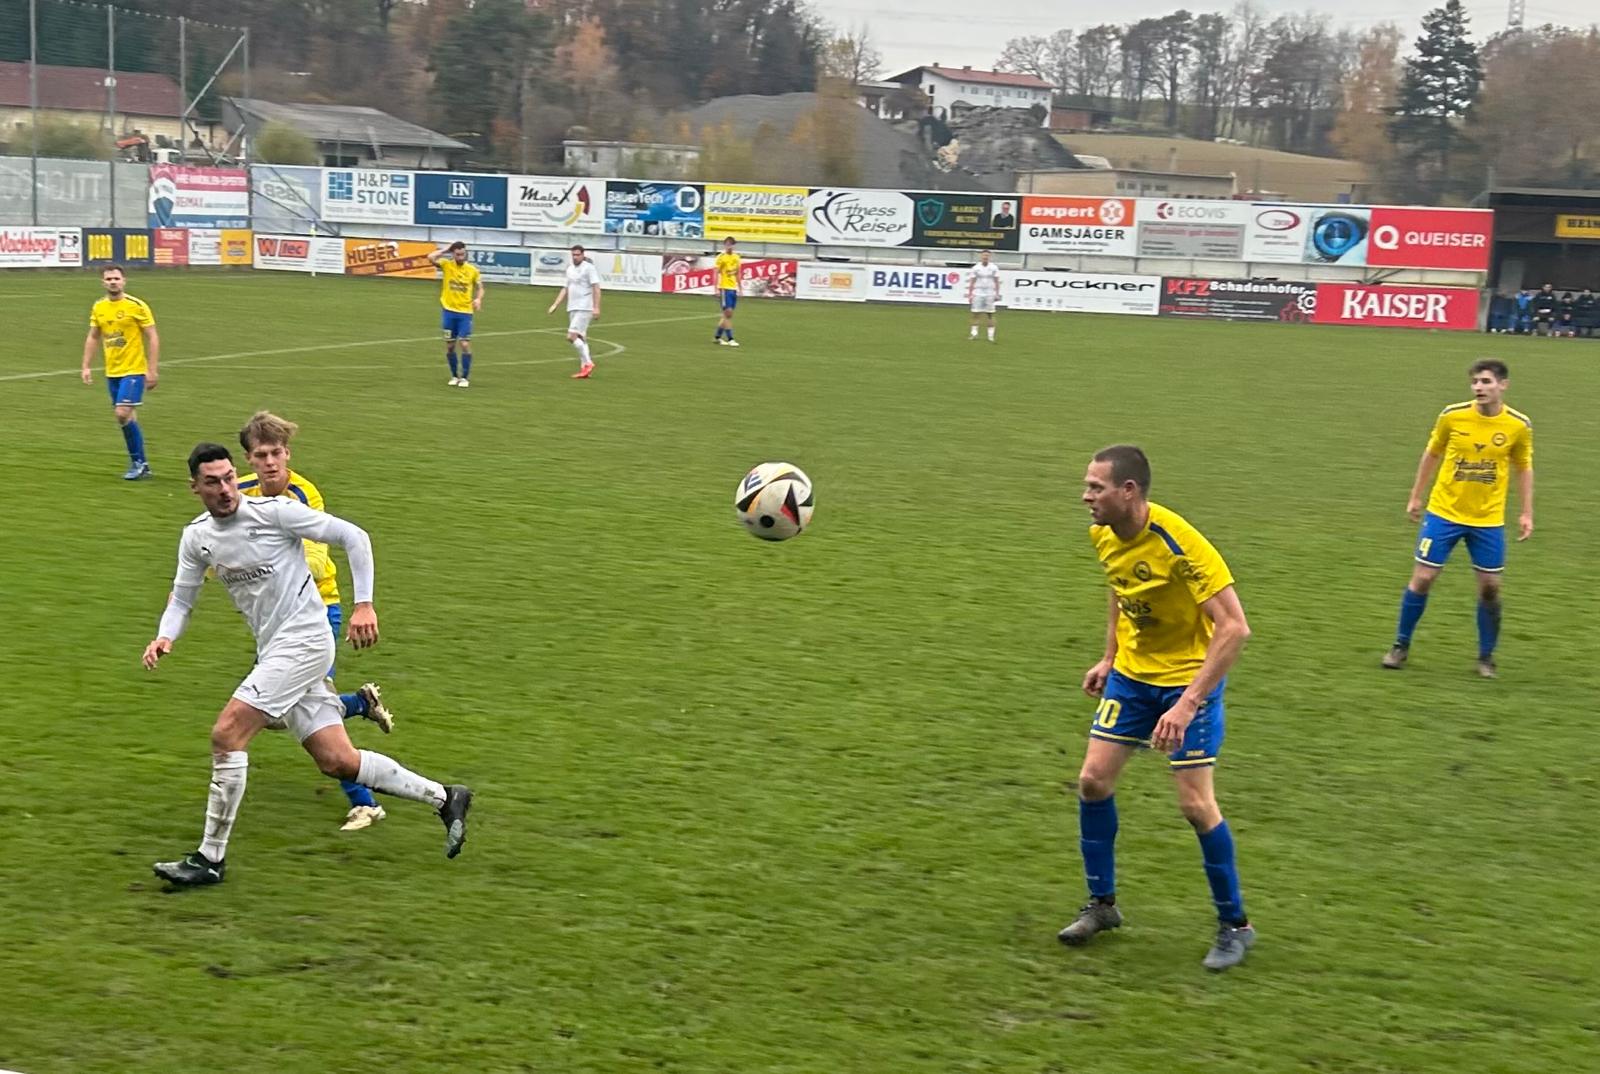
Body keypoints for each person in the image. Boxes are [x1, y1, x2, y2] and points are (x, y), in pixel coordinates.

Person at [144, 443, 473, 887]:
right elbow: (183, 597)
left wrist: (364, 605)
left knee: (227, 734)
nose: (224, 489)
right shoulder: (197, 537)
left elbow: (355, 536)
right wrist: (166, 635)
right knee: (337, 760)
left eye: (227, 478)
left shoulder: (274, 513)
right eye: (211, 482)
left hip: (305, 643)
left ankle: (209, 859)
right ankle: (446, 797)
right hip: (275, 648)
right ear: (194, 487)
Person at [1060, 446, 1255, 972]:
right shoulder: (1103, 533)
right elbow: (1120, 590)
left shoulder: (1179, 544)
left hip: (1188, 682)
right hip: (1133, 678)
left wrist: (1187, 704)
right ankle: (1102, 905)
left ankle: (1235, 925)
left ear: (1129, 492)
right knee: (1093, 782)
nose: (1085, 497)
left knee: (1195, 805)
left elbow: (1235, 629)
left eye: (1095, 488)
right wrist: (1110, 656)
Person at [236, 410, 396, 831]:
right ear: (249, 459)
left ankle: (365, 802)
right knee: (277, 713)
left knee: (288, 709)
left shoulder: (305, 495)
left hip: (316, 612)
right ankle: (360, 703)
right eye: (260, 455)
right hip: (273, 618)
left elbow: (317, 557)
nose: (269, 462)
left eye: (276, 453)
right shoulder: (241, 492)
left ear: (287, 453)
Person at [1383, 360, 1533, 678]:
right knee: (1423, 578)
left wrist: (1526, 511)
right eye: (1475, 382)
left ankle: (1486, 657)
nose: (1479, 387)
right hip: (1444, 513)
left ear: (1502, 385)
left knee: (1491, 587)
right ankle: (1400, 645)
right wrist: (1415, 495)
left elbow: (1523, 467)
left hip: (1487, 519)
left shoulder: (1518, 425)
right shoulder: (1452, 416)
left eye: (1486, 382)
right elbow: (1432, 453)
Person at [80, 264, 159, 480]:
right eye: (108, 279)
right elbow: (94, 336)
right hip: (112, 371)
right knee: (126, 418)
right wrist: (86, 365)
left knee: (122, 412)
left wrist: (152, 370)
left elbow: (152, 336)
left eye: (116, 278)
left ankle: (139, 463)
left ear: (124, 281)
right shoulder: (99, 307)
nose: (113, 282)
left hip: (133, 369)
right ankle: (141, 464)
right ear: (103, 282)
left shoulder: (137, 306)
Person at [426, 241, 483, 388]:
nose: (460, 257)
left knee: (464, 344)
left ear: (466, 254)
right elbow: (430, 257)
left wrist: (478, 299)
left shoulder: (472, 270)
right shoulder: (446, 265)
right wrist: (446, 249)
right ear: (453, 254)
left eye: (462, 254)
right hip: (448, 312)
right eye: (457, 254)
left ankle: (464, 378)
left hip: (465, 313)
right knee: (450, 346)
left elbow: (480, 288)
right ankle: (454, 376)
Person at [547, 244, 602, 380]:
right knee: (581, 338)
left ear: (583, 255)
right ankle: (585, 370)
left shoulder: (589, 268)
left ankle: (588, 363)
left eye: (578, 255)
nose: (575, 257)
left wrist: (596, 307)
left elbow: (596, 288)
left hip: (585, 307)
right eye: (573, 255)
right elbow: (565, 288)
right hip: (572, 307)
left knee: (571, 336)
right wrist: (555, 304)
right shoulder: (570, 269)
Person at [713, 236, 742, 347]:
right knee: (728, 314)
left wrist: (740, 287)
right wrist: (715, 288)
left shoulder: (736, 257)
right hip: (724, 288)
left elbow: (738, 273)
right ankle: (730, 339)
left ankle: (717, 337)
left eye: (732, 244)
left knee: (727, 315)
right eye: (728, 244)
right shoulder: (721, 257)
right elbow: (716, 272)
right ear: (725, 245)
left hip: (733, 288)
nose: (730, 246)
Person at [967, 250, 1001, 342]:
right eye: (984, 255)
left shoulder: (994, 267)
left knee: (990, 314)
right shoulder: (976, 268)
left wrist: (997, 293)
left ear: (990, 257)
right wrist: (970, 294)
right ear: (981, 256)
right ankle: (974, 334)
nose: (985, 257)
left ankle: (991, 336)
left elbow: (997, 281)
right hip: (978, 293)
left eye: (987, 256)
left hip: (990, 293)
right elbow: (972, 281)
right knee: (975, 314)